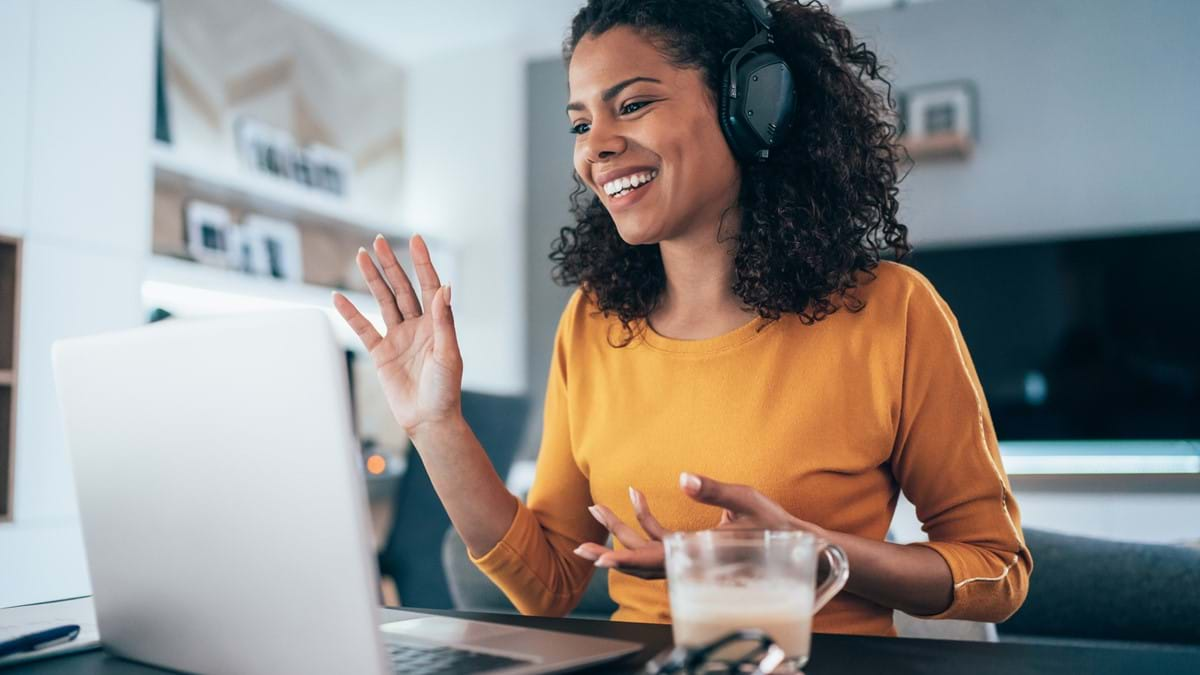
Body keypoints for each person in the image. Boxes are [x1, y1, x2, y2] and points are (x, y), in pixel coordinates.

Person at [332, 0, 1031, 637]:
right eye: (580, 122)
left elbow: (997, 570)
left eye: (632, 104)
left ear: (753, 104)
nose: (594, 147)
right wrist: (435, 426)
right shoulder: (593, 323)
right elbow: (547, 585)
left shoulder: (893, 310)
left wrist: (809, 552)